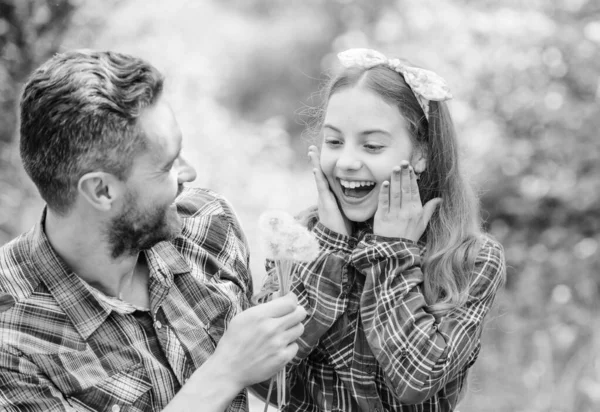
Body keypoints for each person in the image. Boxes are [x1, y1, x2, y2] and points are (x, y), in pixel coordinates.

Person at [0, 49, 306, 412]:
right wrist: (224, 373)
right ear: (101, 191)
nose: (189, 173)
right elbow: (237, 368)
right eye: (166, 166)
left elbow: (274, 377)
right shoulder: (12, 338)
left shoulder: (209, 224)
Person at [255, 48, 506, 411]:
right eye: (334, 141)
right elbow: (262, 376)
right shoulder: (297, 239)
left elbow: (416, 379)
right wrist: (329, 247)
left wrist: (391, 252)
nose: (347, 162)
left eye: (372, 146)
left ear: (420, 153)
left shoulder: (471, 258)